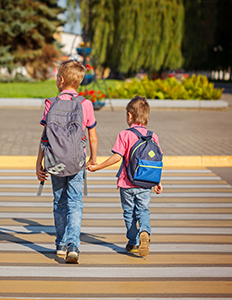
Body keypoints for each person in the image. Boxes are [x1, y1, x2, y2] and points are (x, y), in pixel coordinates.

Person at [36, 60, 98, 263]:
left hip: (55, 163)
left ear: (60, 80)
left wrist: (39, 163)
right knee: (75, 203)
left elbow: (44, 136)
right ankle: (73, 245)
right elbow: (93, 137)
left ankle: (60, 244)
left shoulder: (50, 103)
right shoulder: (85, 104)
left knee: (59, 203)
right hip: (77, 162)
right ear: (78, 82)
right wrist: (93, 159)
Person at [87, 95, 162, 257]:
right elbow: (155, 161)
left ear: (130, 116)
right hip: (146, 183)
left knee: (129, 213)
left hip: (127, 184)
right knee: (143, 210)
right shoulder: (153, 136)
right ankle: (145, 231)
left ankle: (133, 242)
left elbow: (117, 157)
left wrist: (97, 167)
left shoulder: (125, 134)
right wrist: (157, 181)